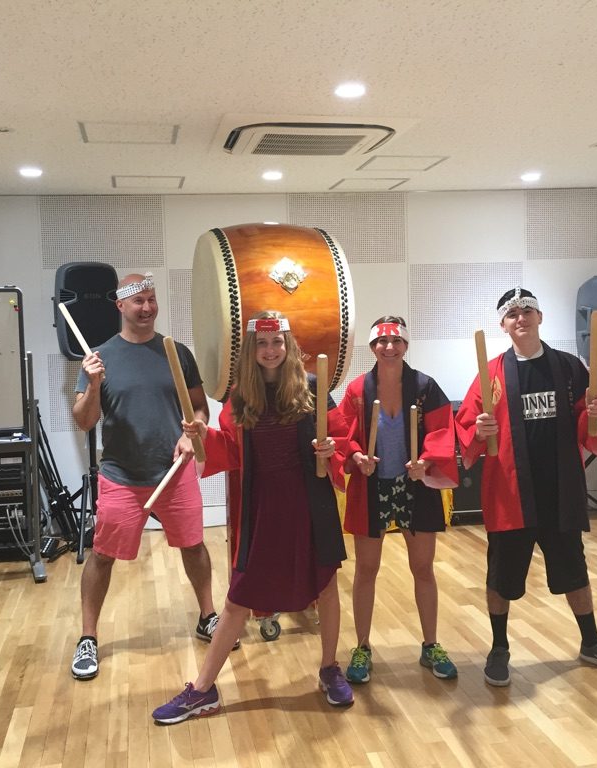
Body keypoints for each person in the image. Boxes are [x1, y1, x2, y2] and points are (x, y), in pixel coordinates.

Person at [152, 310, 353, 724]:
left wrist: (331, 450)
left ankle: (330, 667)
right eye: (261, 343)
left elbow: (341, 439)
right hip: (262, 508)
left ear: (288, 345)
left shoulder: (313, 388)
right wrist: (201, 437)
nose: (270, 350)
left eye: (277, 341)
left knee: (326, 585)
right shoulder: (241, 396)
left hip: (310, 505)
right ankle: (203, 690)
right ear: (251, 349)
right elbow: (230, 447)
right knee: (239, 597)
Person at [454, 287, 597, 687]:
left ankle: (591, 641)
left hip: (559, 489)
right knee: (502, 576)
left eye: (527, 310)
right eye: (512, 313)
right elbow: (467, 424)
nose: (520, 317)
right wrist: (479, 430)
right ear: (503, 325)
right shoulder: (491, 375)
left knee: (574, 569)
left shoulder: (569, 368)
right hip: (511, 493)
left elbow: (587, 421)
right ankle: (499, 647)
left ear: (539, 318)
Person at [69, 272, 235, 682]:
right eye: (138, 301)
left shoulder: (176, 352)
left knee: (194, 545)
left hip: (175, 471)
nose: (146, 308)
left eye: (151, 299)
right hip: (121, 476)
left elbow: (199, 408)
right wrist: (94, 385)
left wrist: (190, 433)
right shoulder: (99, 358)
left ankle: (207, 616)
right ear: (120, 306)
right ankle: (88, 637)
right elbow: (84, 421)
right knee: (102, 555)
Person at [338, 316, 460, 684]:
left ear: (406, 345)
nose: (389, 348)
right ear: (372, 346)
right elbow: (343, 432)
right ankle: (362, 646)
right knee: (366, 569)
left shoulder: (425, 387)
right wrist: (356, 455)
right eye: (382, 342)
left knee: (423, 568)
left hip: (415, 485)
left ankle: (431, 644)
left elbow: (442, 430)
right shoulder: (357, 390)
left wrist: (427, 461)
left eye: (396, 341)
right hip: (372, 485)